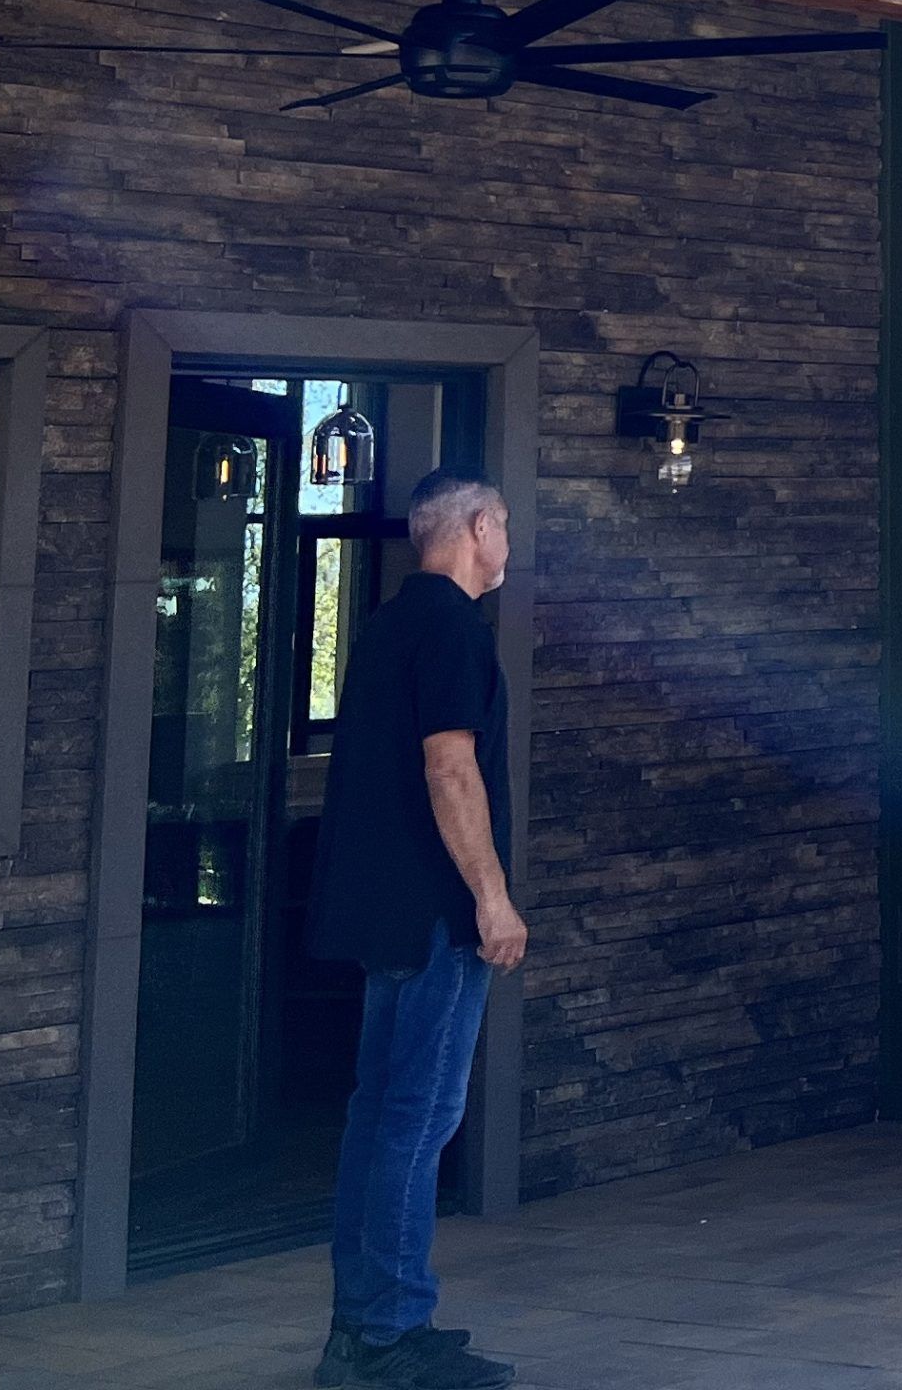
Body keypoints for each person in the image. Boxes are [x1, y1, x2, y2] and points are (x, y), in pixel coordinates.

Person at [310, 469, 525, 1388]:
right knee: (418, 1120)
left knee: (377, 1118)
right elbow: (450, 769)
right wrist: (490, 894)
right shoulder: (451, 627)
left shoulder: (390, 623)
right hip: (438, 915)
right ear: (478, 525)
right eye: (505, 526)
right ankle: (388, 1334)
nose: (508, 545)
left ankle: (364, 1325)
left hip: (383, 913)